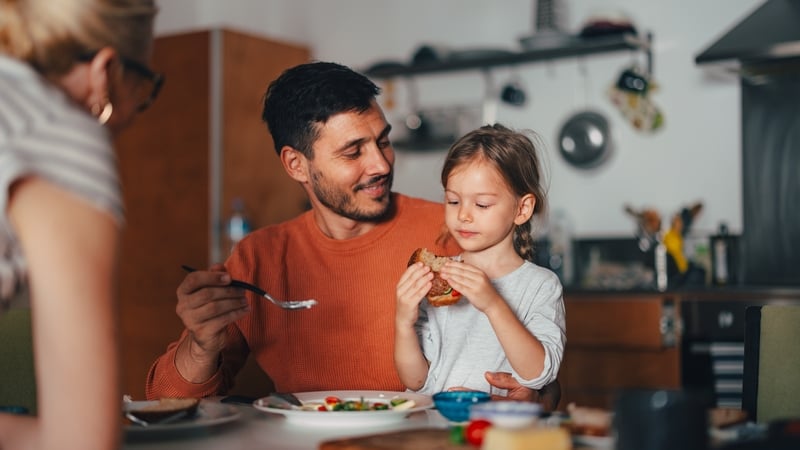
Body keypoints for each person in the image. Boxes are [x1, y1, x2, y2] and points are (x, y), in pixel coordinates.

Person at [146, 62, 558, 405]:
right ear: (296, 165)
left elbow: (541, 370)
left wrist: (535, 395)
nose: (380, 163)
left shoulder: (456, 233)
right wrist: (201, 345)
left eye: (383, 141)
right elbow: (166, 401)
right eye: (353, 151)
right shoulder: (258, 259)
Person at [0, 1, 160, 449]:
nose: (135, 110)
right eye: (142, 84)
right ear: (105, 72)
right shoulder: (56, 130)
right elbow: (80, 442)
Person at [395, 124, 566, 397]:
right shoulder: (439, 281)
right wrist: (403, 322)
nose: (463, 215)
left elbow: (538, 375)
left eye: (482, 204)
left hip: (496, 432)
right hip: (433, 429)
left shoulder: (540, 286)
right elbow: (416, 381)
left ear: (522, 209)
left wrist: (493, 304)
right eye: (453, 201)